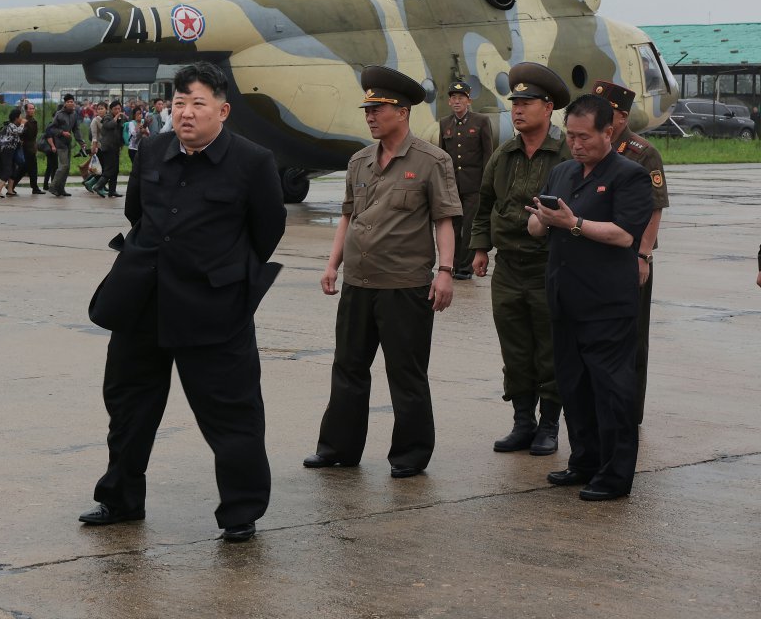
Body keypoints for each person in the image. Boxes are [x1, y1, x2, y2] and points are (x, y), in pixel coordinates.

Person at [80, 61, 286, 543]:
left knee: (232, 415)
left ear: (223, 109)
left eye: (197, 104)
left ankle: (240, 511)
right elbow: (137, 213)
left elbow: (266, 232)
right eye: (178, 104)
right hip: (143, 302)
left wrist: (220, 272)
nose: (186, 114)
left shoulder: (253, 161)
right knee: (128, 407)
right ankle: (120, 499)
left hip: (213, 308)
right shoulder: (152, 149)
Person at [304, 66, 461, 478]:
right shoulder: (359, 162)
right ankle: (338, 448)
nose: (370, 116)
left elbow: (444, 219)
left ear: (402, 112)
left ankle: (409, 455)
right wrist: (332, 264)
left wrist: (445, 271)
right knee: (348, 368)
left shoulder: (432, 161)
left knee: (405, 374)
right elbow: (347, 216)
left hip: (405, 287)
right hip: (359, 282)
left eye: (378, 109)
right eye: (368, 109)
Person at [528, 94, 653, 501]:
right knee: (574, 386)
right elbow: (537, 228)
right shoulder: (562, 172)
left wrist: (574, 223)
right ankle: (584, 461)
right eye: (571, 136)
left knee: (611, 390)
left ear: (608, 131)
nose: (576, 144)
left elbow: (624, 235)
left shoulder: (628, 175)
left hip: (606, 305)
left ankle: (615, 476)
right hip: (565, 299)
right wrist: (540, 220)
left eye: (585, 137)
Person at [469, 63, 571, 455]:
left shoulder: (564, 154)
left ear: (548, 108)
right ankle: (522, 422)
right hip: (508, 269)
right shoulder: (503, 154)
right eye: (515, 102)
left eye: (527, 102)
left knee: (550, 347)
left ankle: (549, 425)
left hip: (550, 266)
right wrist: (480, 248)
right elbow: (484, 205)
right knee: (514, 348)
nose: (518, 109)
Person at [593, 81, 670, 425]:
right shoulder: (593, 146)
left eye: (604, 112)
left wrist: (643, 256)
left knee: (631, 338)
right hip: (595, 251)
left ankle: (629, 413)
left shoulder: (642, 152)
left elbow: (655, 209)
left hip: (629, 257)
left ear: (621, 117)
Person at [438, 82, 492, 280]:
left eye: (461, 97)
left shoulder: (481, 121)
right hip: (452, 185)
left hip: (474, 184)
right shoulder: (445, 123)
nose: (457, 101)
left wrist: (487, 182)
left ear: (469, 100)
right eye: (453, 97)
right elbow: (443, 155)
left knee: (469, 226)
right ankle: (450, 265)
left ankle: (465, 268)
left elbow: (488, 153)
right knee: (453, 227)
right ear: (450, 101)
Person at [47, 94, 84, 197]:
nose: (70, 103)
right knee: (63, 166)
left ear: (74, 103)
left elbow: (76, 129)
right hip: (60, 143)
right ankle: (53, 186)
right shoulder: (59, 114)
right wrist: (62, 132)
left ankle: (61, 189)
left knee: (67, 168)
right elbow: (52, 129)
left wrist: (81, 142)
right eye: (68, 102)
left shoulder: (74, 114)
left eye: (72, 101)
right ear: (65, 103)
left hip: (68, 143)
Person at [0, 107, 26, 198]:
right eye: (20, 117)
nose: (21, 118)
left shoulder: (14, 126)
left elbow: (15, 137)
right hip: (7, 151)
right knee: (8, 170)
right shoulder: (11, 125)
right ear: (16, 118)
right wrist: (22, 124)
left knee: (14, 169)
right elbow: (18, 132)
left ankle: (10, 190)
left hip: (12, 151)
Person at [19, 101, 44, 194]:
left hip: (32, 148)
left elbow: (34, 137)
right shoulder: (24, 121)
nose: (32, 110)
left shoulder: (34, 121)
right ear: (26, 110)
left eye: (33, 108)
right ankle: (35, 188)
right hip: (26, 148)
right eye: (30, 109)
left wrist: (35, 146)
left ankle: (12, 185)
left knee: (25, 169)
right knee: (31, 169)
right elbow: (21, 133)